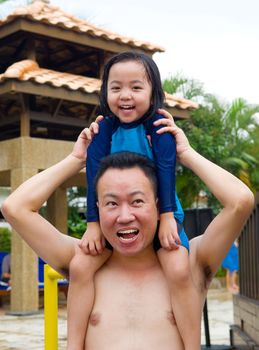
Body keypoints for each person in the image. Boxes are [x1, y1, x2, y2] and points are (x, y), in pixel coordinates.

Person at [1, 113, 254, 350]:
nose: (124, 216)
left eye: (136, 201)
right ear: (97, 208)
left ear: (158, 205)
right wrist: (76, 160)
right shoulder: (84, 260)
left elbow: (240, 201)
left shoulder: (190, 262)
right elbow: (15, 207)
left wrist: (185, 154)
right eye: (111, 203)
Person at [70, 51, 193, 350]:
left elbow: (166, 171)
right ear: (105, 92)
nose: (125, 96)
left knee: (177, 266)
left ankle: (192, 345)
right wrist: (93, 224)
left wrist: (167, 218)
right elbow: (93, 179)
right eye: (116, 88)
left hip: (161, 215)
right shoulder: (103, 130)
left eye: (136, 87)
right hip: (117, 220)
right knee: (80, 266)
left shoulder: (160, 127)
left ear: (154, 93)